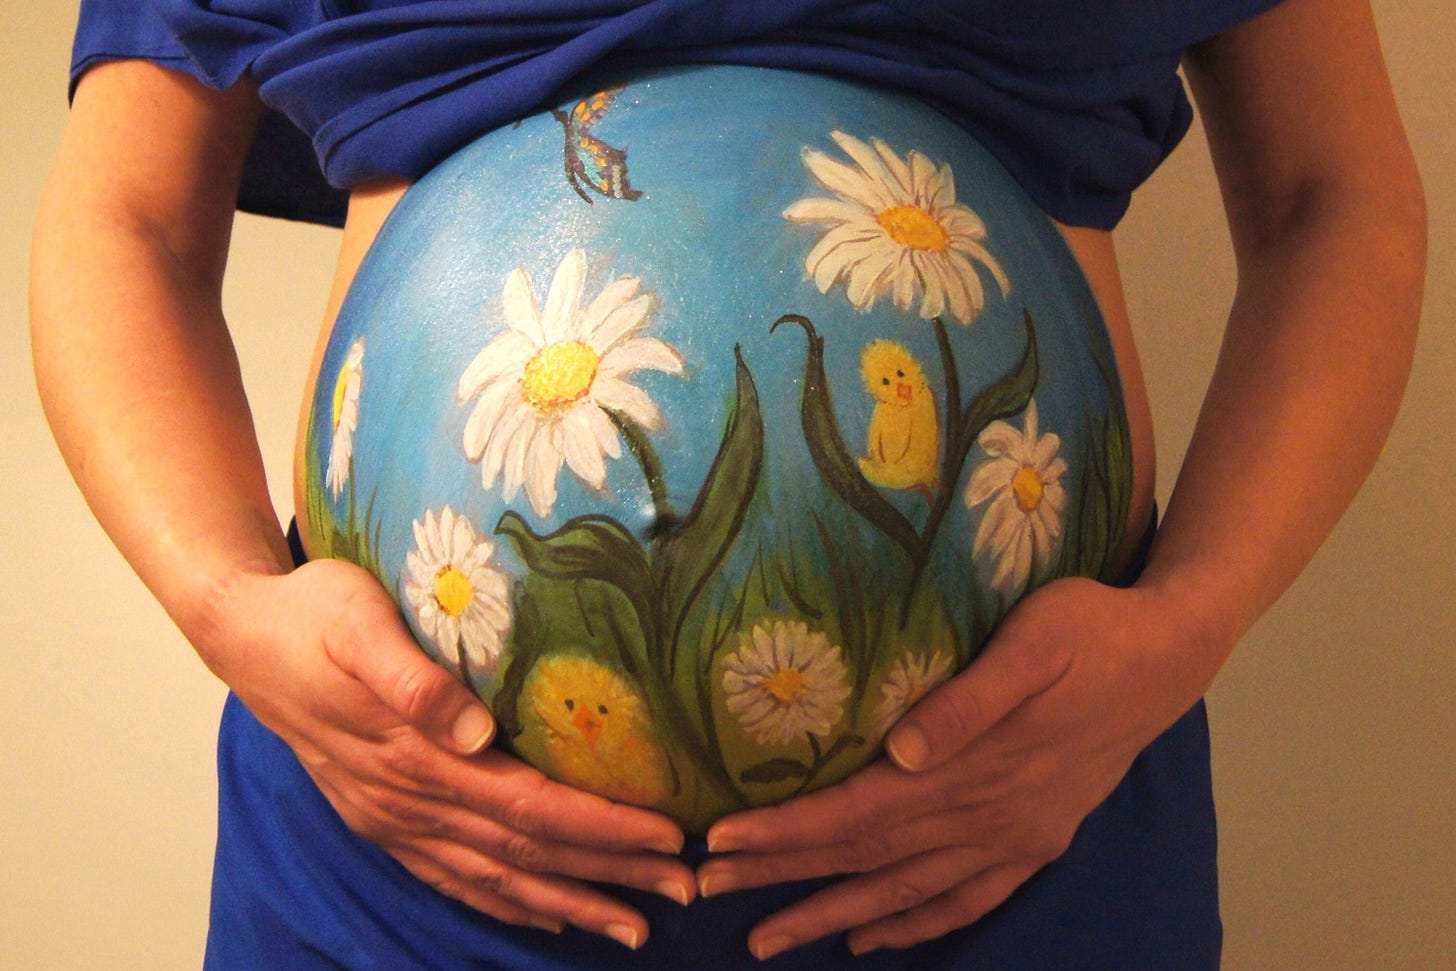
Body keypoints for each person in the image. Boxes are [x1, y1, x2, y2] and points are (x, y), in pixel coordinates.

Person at [30, 0, 1424, 967]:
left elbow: (1334, 193)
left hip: (1010, 836)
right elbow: (125, 217)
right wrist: (227, 605)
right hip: (407, 850)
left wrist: (1193, 617)